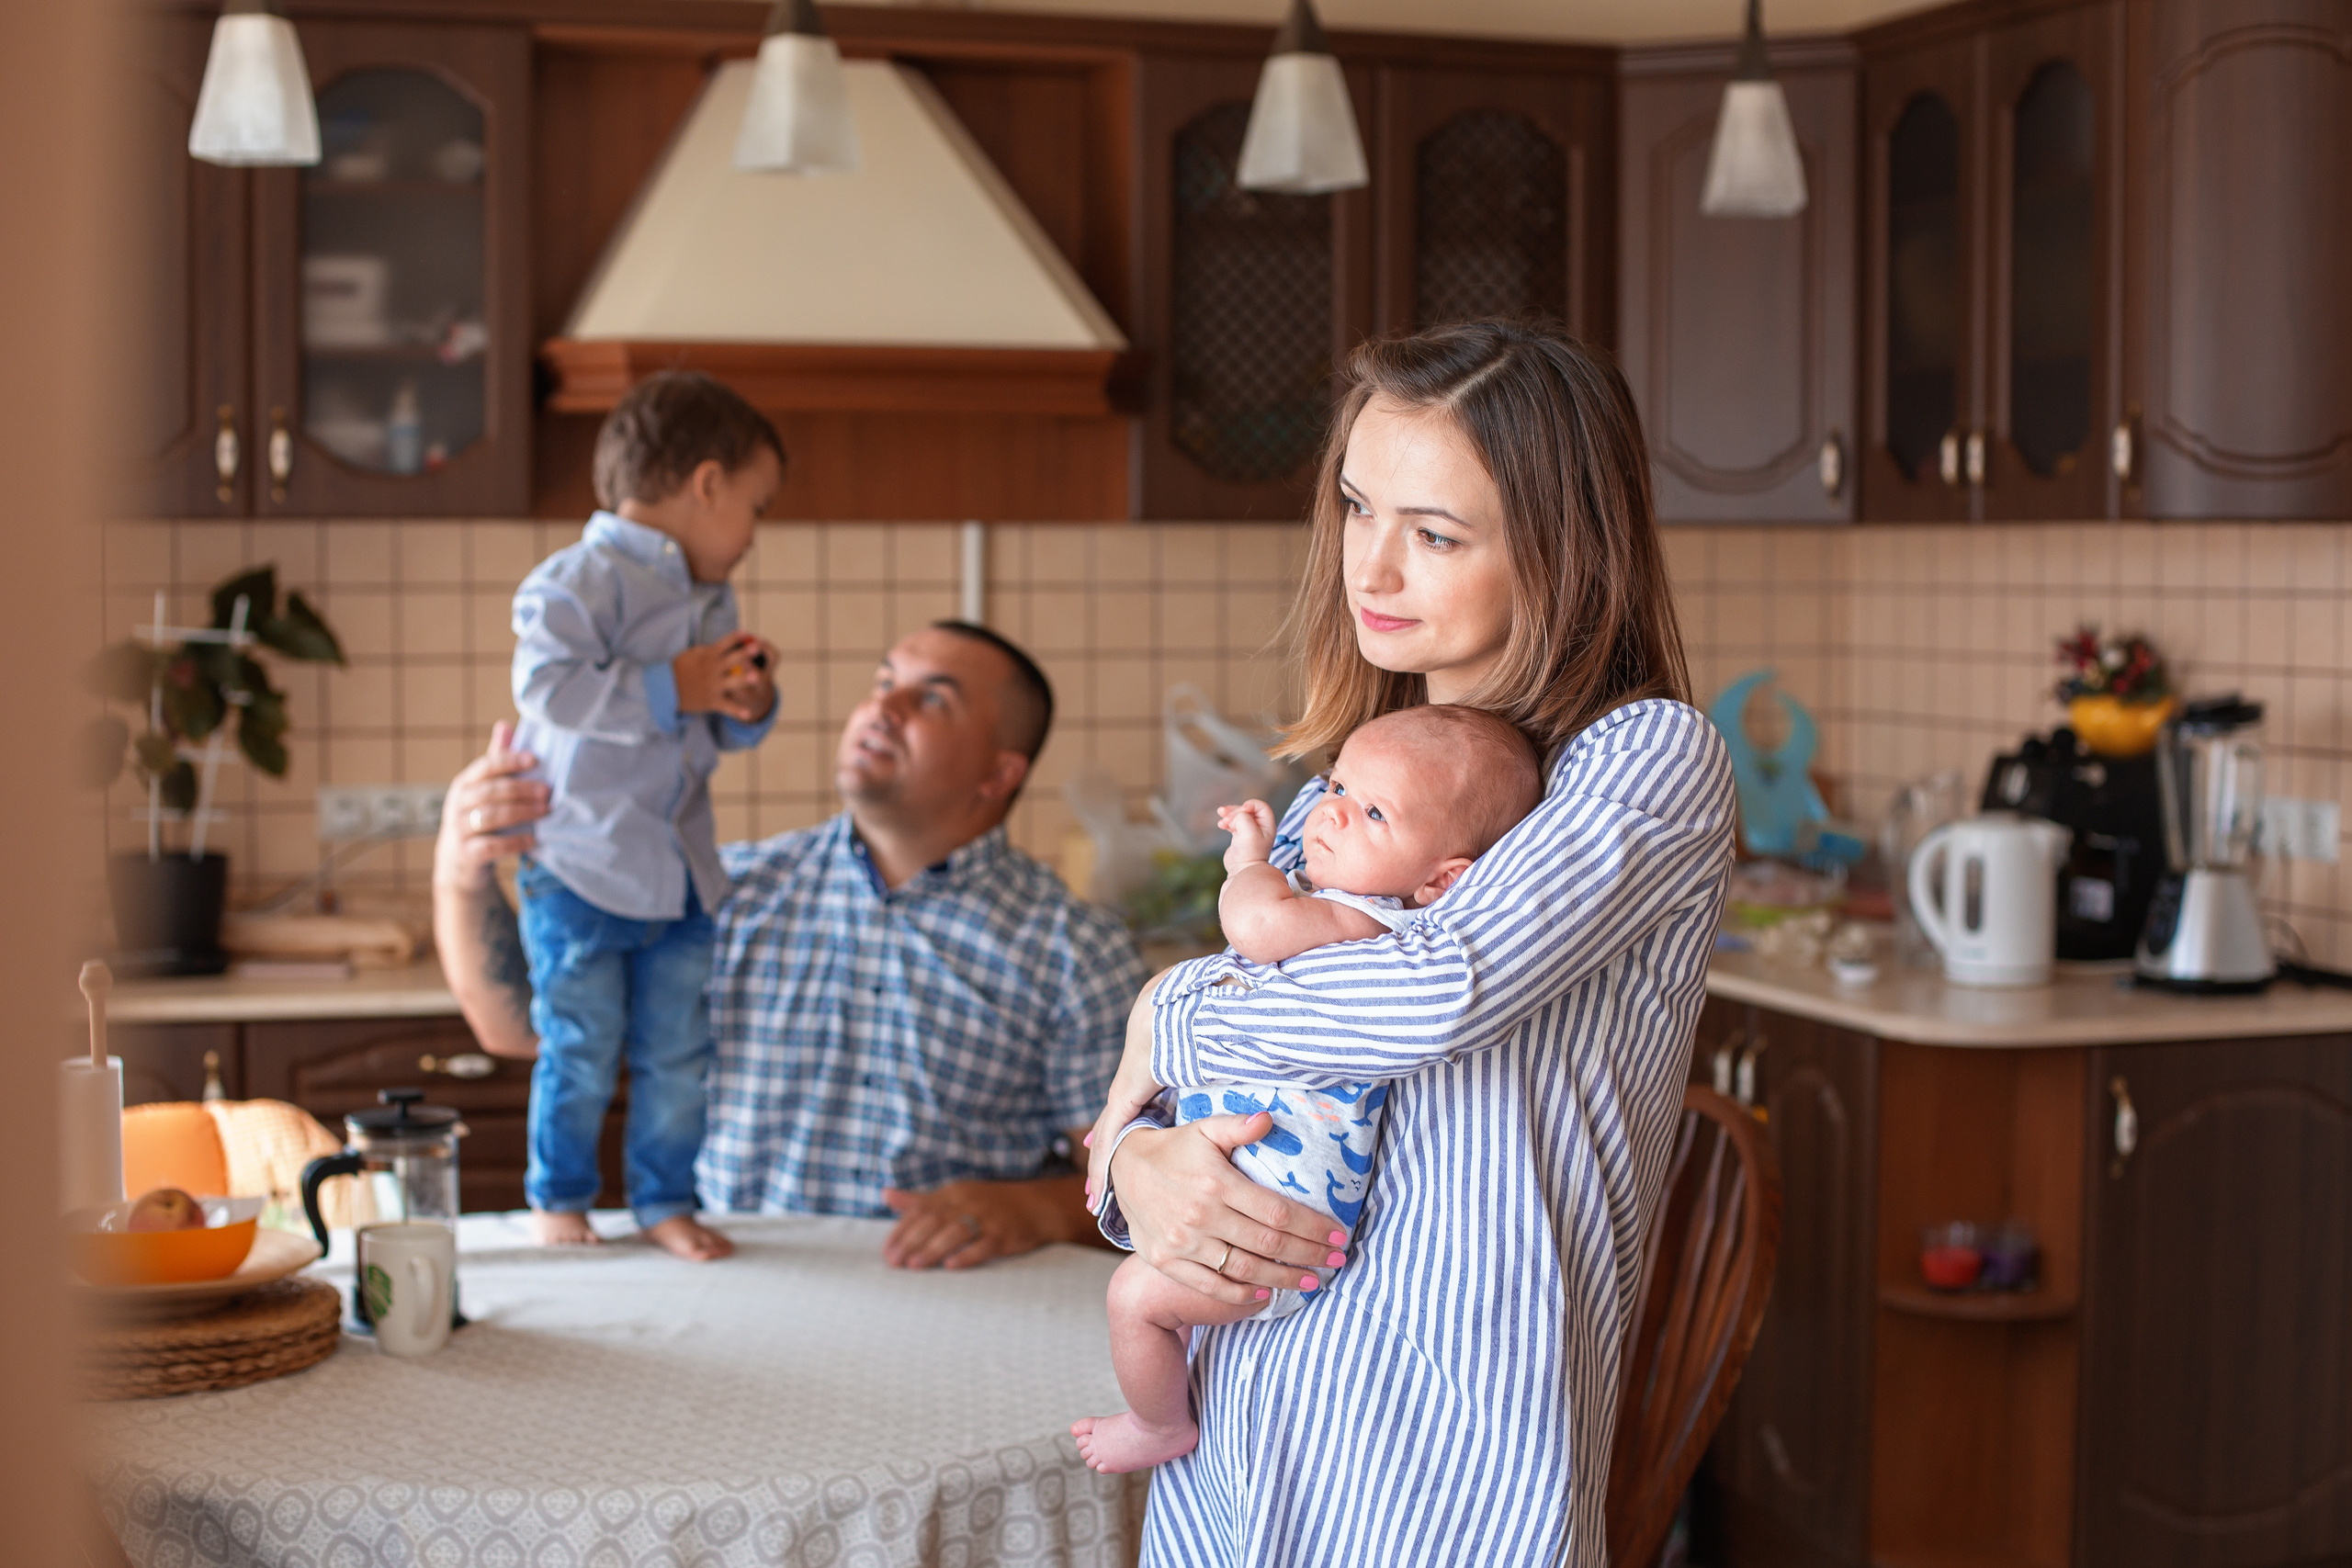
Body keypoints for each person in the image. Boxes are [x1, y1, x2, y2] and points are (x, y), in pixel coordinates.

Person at [1087, 319, 1736, 1566]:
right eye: (1356, 508)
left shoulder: (1642, 759)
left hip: (1448, 1470)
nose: (1371, 568)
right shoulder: (1340, 800)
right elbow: (1176, 1110)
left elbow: (1431, 994)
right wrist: (1135, 1163)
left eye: (1434, 534)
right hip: (1239, 1439)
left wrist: (1166, 1007)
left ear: (1561, 552)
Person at [434, 621, 1146, 1269]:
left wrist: (1033, 1208)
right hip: (739, 1277)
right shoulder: (715, 893)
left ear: (999, 774)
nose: (882, 707)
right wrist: (463, 872)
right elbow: (518, 1028)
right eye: (884, 681)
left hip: (959, 1301)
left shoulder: (1074, 949)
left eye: (931, 698)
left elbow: (1146, 1182)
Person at [1071, 704, 1543, 1475]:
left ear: (1440, 879)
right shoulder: (1339, 906)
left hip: (1278, 1234)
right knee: (1159, 1302)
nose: (1333, 812)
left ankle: (1157, 1424)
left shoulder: (1365, 922)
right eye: (1339, 786)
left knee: (1135, 1300)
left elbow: (1253, 929)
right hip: (1257, 1206)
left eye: (1375, 813)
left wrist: (1248, 862)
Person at [509, 370, 784, 1260]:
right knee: (580, 1047)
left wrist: (745, 702)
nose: (754, 534)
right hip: (580, 870)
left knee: (677, 1055)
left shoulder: (710, 597)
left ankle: (665, 1198)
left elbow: (711, 725)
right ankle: (560, 1196)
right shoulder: (577, 579)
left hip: (681, 875)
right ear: (707, 484)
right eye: (754, 506)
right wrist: (672, 685)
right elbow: (546, 688)